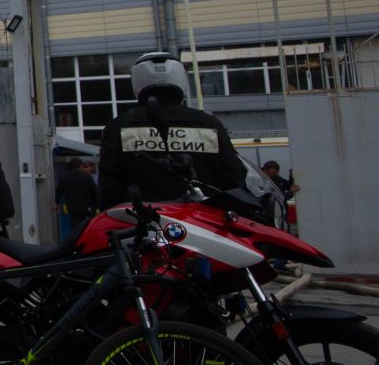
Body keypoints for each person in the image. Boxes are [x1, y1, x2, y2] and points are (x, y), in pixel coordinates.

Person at [97, 52, 245, 207]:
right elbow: (234, 178)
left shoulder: (119, 125)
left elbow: (109, 186)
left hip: (143, 224)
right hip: (205, 223)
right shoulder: (209, 123)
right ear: (181, 78)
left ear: (137, 81)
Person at [55, 157, 100, 240]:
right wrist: (97, 205)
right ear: (81, 166)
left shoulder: (65, 178)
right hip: (87, 208)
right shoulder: (86, 176)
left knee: (76, 231)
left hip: (73, 208)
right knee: (88, 228)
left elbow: (58, 192)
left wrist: (57, 204)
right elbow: (94, 192)